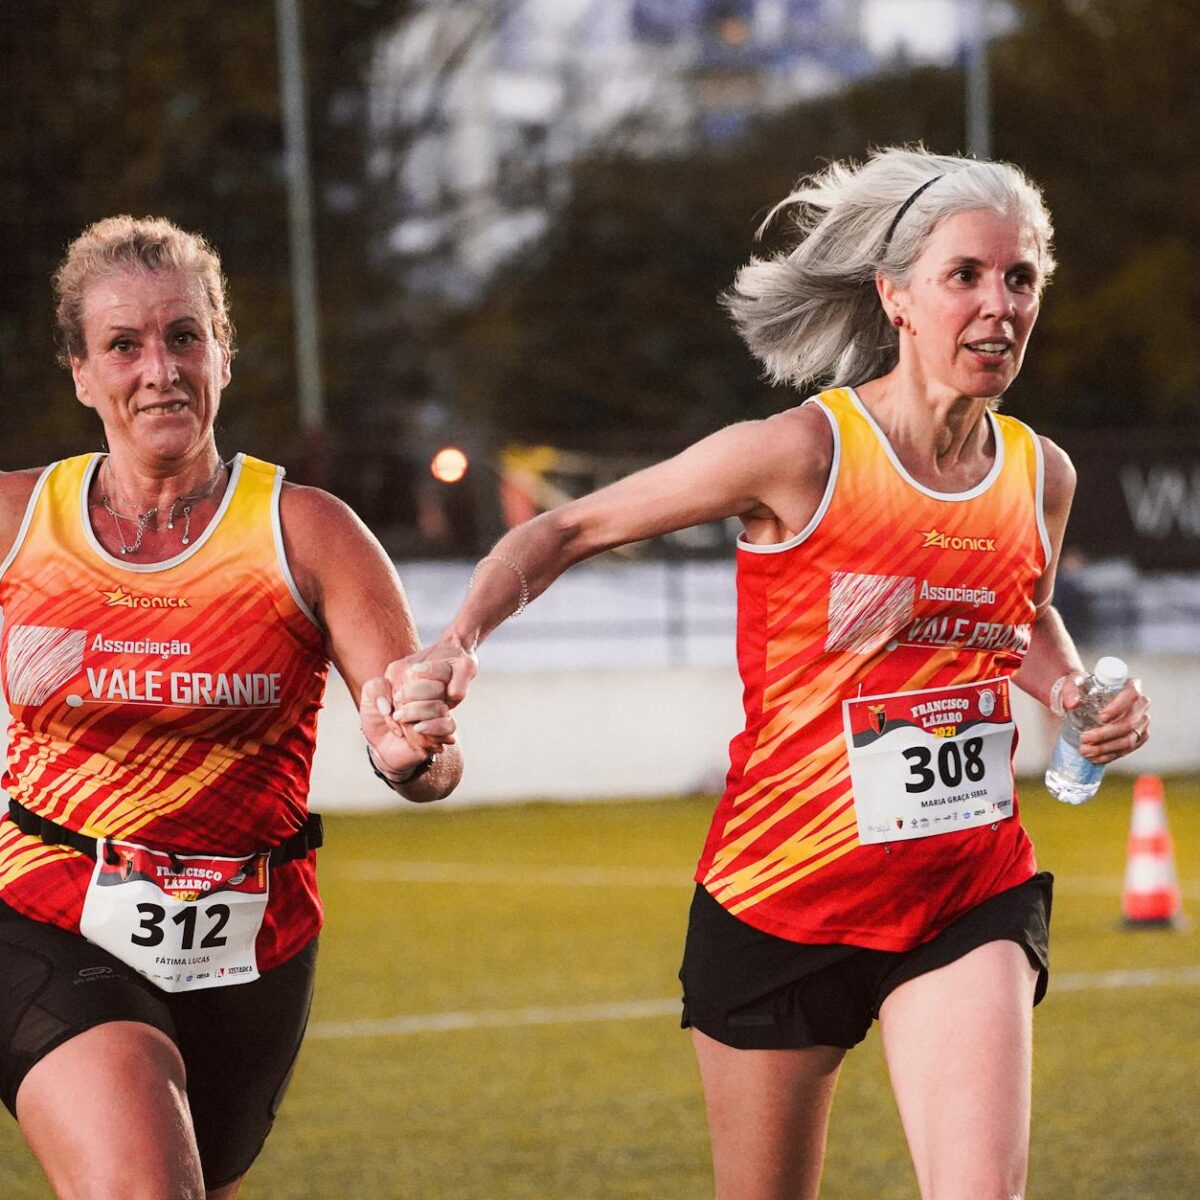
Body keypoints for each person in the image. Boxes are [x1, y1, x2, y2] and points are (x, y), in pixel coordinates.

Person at [383, 147, 1151, 1200]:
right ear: (896, 296)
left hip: (966, 890)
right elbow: (568, 526)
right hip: (781, 898)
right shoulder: (801, 454)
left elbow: (1014, 614)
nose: (999, 304)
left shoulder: (1038, 473)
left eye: (1020, 280)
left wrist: (1071, 693)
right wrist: (456, 642)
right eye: (965, 275)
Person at [0, 214, 461, 1200]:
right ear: (81, 373)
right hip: (46, 912)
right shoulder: (16, 523)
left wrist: (409, 749)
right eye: (123, 344)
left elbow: (422, 751)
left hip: (251, 943)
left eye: (183, 336)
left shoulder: (309, 533)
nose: (159, 368)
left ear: (221, 351)